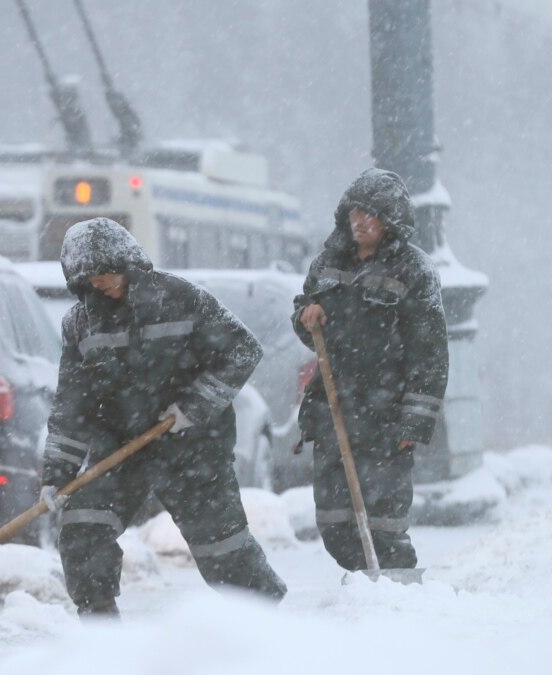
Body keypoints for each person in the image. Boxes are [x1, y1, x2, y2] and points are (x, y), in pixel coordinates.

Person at [41, 217, 287, 617]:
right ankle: (100, 630)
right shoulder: (80, 323)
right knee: (83, 524)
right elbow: (73, 404)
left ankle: (265, 619)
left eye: (106, 272)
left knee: (221, 548)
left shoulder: (181, 299)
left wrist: (192, 407)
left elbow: (242, 351)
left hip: (193, 447)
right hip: (120, 447)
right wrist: (56, 473)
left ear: (127, 263)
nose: (99, 282)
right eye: (88, 278)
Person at [293, 168, 448, 571]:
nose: (360, 221)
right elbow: (303, 313)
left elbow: (429, 353)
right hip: (333, 409)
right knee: (335, 523)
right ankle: (365, 589)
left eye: (371, 213)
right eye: (355, 211)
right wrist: (306, 316)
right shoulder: (327, 261)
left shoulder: (413, 270)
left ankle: (398, 595)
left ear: (390, 221)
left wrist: (414, 422)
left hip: (385, 416)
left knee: (384, 525)